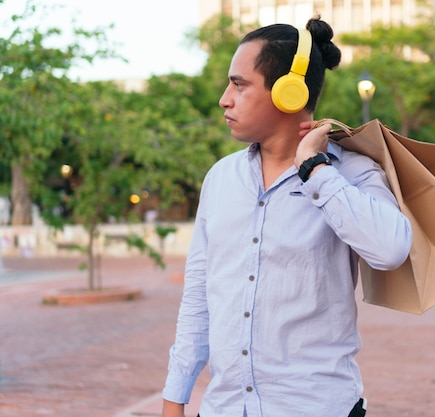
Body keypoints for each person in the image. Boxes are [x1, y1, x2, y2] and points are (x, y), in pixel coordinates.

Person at [162, 15, 412, 417]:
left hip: (315, 407)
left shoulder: (348, 174)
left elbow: (391, 249)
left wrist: (316, 169)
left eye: (239, 85)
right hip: (225, 408)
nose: (224, 98)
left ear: (289, 93)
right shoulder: (220, 179)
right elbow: (198, 298)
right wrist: (174, 399)